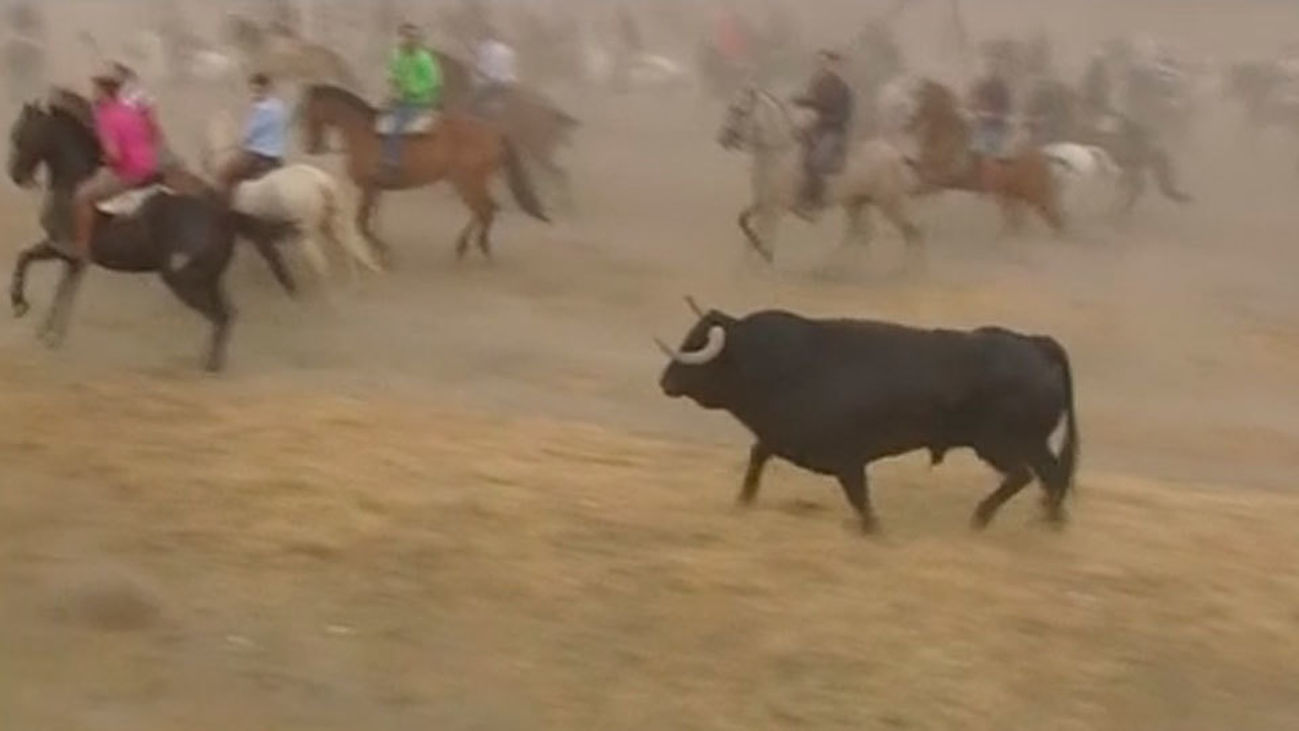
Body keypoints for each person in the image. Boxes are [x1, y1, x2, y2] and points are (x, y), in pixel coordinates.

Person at [70, 72, 159, 261]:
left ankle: (82, 248)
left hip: (130, 171)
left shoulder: (106, 116)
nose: (93, 93)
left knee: (82, 195)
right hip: (150, 164)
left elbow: (114, 155)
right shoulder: (130, 109)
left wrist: (105, 161)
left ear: (104, 92)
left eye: (96, 90)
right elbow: (152, 136)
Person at [791, 49, 852, 217]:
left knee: (816, 161)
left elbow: (844, 115)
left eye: (827, 63)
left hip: (834, 131)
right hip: (816, 128)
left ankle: (817, 200)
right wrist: (800, 101)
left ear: (836, 65)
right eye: (821, 63)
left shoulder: (843, 88)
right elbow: (813, 102)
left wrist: (821, 119)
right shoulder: (816, 82)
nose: (823, 66)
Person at [381, 22, 442, 181]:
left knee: (396, 127)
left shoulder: (424, 59)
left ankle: (393, 161)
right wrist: (393, 88)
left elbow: (432, 81)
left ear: (417, 39)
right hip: (400, 99)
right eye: (404, 36)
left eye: (411, 37)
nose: (407, 40)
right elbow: (393, 74)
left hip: (419, 101)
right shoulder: (398, 55)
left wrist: (410, 90)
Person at [216, 73, 288, 198]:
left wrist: (240, 142)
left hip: (257, 155)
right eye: (253, 91)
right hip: (277, 156)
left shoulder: (261, 108)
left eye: (258, 91)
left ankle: (225, 205)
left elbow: (250, 134)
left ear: (267, 90)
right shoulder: (279, 107)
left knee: (224, 175)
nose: (255, 94)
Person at [969, 58, 1013, 184]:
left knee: (994, 155)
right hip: (983, 127)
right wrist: (976, 111)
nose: (992, 70)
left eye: (995, 67)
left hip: (997, 129)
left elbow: (1006, 109)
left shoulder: (1002, 88)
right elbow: (974, 103)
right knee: (976, 152)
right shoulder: (982, 85)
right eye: (991, 66)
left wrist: (994, 115)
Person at [472, 27, 516, 118]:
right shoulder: (508, 51)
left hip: (487, 80)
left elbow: (479, 66)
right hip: (502, 83)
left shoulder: (485, 46)